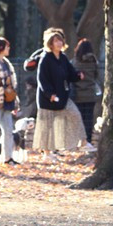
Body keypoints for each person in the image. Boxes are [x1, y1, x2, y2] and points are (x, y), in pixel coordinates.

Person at [33, 28, 86, 162]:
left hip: (62, 96)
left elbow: (70, 73)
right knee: (47, 126)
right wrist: (49, 93)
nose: (59, 43)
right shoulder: (45, 58)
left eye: (60, 40)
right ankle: (47, 153)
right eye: (56, 41)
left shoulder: (63, 58)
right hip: (47, 98)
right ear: (50, 44)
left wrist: (78, 76)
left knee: (75, 114)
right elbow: (42, 79)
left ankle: (83, 142)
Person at [0, 37, 20, 165]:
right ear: (1, 48)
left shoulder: (6, 63)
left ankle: (8, 157)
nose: (9, 49)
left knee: (8, 130)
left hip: (8, 101)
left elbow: (12, 82)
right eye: (7, 47)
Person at [71, 39, 98, 152]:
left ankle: (79, 140)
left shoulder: (75, 62)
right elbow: (96, 75)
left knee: (79, 119)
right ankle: (88, 140)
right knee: (89, 118)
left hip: (78, 94)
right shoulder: (94, 62)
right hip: (90, 94)